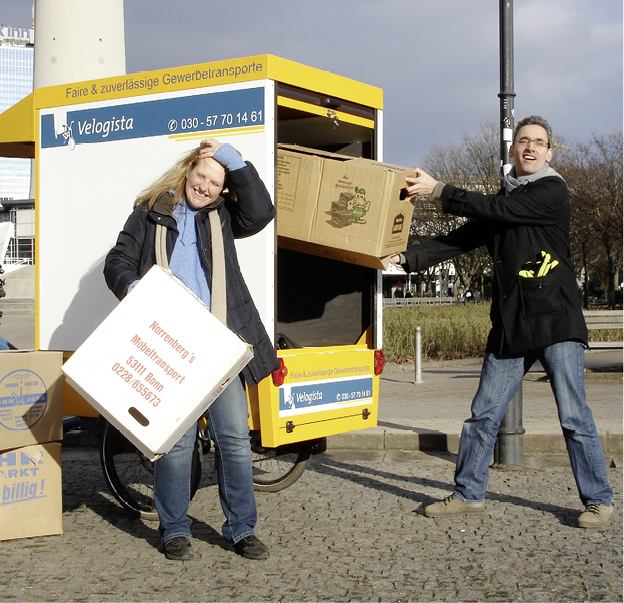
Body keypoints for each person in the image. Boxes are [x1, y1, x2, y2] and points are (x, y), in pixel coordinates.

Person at [393, 116, 613, 528]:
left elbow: (499, 209)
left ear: (549, 153)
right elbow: (461, 238)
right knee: (483, 415)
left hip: (556, 321)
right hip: (512, 326)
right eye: (523, 141)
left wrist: (440, 190)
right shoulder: (503, 197)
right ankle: (468, 493)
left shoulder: (551, 191)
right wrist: (403, 258)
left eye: (539, 143)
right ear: (513, 151)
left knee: (574, 415)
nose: (530, 147)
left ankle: (599, 500)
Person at [104, 138, 280, 560]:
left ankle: (241, 529)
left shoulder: (221, 217)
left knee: (235, 440)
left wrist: (231, 157)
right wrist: (134, 287)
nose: (205, 186)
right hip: (170, 345)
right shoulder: (150, 213)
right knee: (178, 445)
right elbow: (117, 261)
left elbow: (261, 211)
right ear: (187, 171)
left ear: (223, 190)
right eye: (201, 175)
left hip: (217, 344)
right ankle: (174, 529)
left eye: (215, 182)